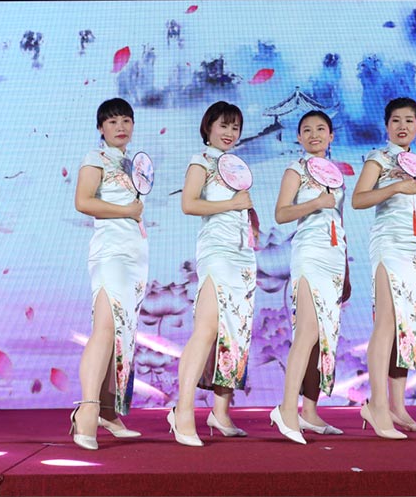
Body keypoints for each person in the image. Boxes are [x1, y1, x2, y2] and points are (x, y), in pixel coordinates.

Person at [167, 101, 257, 447]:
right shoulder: (201, 162)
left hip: (243, 255)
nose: (229, 133)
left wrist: (249, 221)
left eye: (235, 127)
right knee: (206, 330)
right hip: (217, 252)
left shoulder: (236, 166)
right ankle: (183, 410)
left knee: (235, 332)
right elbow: (189, 204)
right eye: (223, 125)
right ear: (208, 127)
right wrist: (231, 204)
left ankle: (220, 413)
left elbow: (244, 208)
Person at [351, 97, 416, 439]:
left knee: (409, 327)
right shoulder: (379, 159)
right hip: (388, 244)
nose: (402, 126)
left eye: (409, 121)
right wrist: (396, 187)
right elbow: (359, 199)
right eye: (396, 120)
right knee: (387, 322)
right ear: (387, 125)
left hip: (415, 251)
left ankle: (398, 408)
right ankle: (376, 406)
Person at [70, 98, 148, 450]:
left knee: (122, 334)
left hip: (135, 255)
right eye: (113, 121)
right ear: (101, 128)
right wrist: (126, 210)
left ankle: (107, 410)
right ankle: (86, 410)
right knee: (104, 329)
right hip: (110, 253)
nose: (121, 127)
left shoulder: (134, 163)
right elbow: (84, 202)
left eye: (126, 120)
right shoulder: (95, 158)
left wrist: (132, 213)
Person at [270, 111, 347, 445]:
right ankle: (287, 409)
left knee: (324, 336)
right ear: (299, 138)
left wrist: (345, 269)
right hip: (310, 254)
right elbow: (281, 213)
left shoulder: (336, 174)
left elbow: (340, 220)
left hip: (334, 257)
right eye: (307, 130)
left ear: (331, 135)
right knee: (307, 331)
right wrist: (316, 202)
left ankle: (310, 412)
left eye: (321, 129)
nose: (314, 134)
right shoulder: (296, 170)